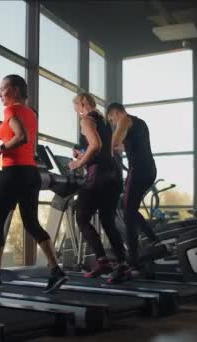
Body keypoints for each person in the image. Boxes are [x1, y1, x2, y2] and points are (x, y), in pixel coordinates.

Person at [0, 74, 68, 293]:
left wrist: (0, 148)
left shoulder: (11, 110)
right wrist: (2, 134)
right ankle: (56, 270)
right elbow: (22, 135)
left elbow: (21, 137)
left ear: (15, 90)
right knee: (31, 223)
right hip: (31, 173)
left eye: (3, 89)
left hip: (13, 173)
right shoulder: (31, 113)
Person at [68, 94, 130, 282]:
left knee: (82, 217)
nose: (77, 112)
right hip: (114, 176)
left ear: (83, 104)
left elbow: (95, 145)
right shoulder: (103, 121)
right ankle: (123, 265)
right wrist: (83, 155)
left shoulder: (87, 120)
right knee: (107, 221)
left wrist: (78, 163)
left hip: (99, 177)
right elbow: (104, 149)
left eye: (77, 107)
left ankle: (103, 261)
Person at [106, 103, 158, 268]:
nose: (113, 123)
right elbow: (124, 146)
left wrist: (96, 147)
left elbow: (114, 142)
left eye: (111, 120)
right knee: (128, 207)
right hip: (149, 170)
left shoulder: (125, 120)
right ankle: (152, 239)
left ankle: (133, 258)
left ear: (115, 113)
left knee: (127, 212)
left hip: (139, 171)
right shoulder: (139, 123)